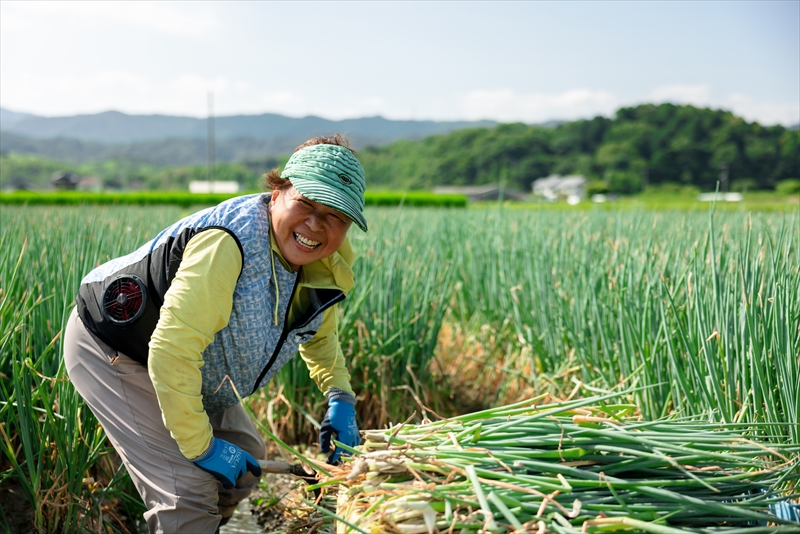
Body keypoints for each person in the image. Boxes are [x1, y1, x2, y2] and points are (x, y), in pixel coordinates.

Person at [63, 135, 366, 533]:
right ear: (277, 192)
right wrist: (201, 447)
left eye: (335, 216)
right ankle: (187, 520)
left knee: (246, 459)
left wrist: (339, 395)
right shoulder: (228, 244)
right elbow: (172, 351)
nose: (315, 225)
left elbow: (318, 334)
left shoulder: (326, 262)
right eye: (306, 204)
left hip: (192, 361)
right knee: (185, 490)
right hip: (117, 348)